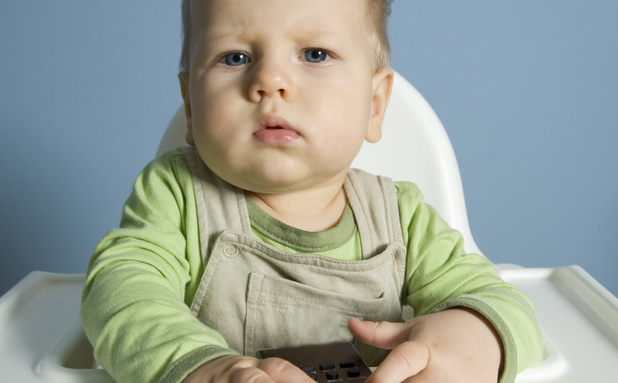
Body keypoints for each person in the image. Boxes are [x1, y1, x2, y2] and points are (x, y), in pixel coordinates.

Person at [81, 0, 544, 382]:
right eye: (235, 57)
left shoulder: (401, 217)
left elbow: (499, 299)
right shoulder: (177, 194)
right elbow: (121, 290)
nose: (270, 82)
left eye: (315, 54)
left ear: (375, 105)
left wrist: (475, 337)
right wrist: (205, 368)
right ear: (190, 104)